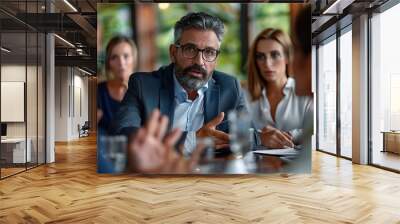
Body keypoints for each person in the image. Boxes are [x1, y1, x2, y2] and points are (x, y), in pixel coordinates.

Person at [111, 12, 247, 157]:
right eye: (190, 49)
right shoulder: (143, 86)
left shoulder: (230, 88)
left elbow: (250, 136)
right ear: (173, 52)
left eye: (209, 52)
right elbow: (122, 136)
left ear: (216, 59)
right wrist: (193, 140)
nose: (199, 61)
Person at [246, 28, 313, 149]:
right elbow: (235, 132)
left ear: (287, 57)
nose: (267, 64)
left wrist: (284, 136)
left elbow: (315, 131)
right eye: (261, 56)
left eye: (275, 55)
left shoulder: (304, 92)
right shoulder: (245, 95)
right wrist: (260, 137)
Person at [97, 36, 137, 134]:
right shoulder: (98, 92)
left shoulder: (145, 91)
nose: (121, 62)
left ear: (134, 59)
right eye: (114, 57)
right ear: (108, 63)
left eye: (126, 56)